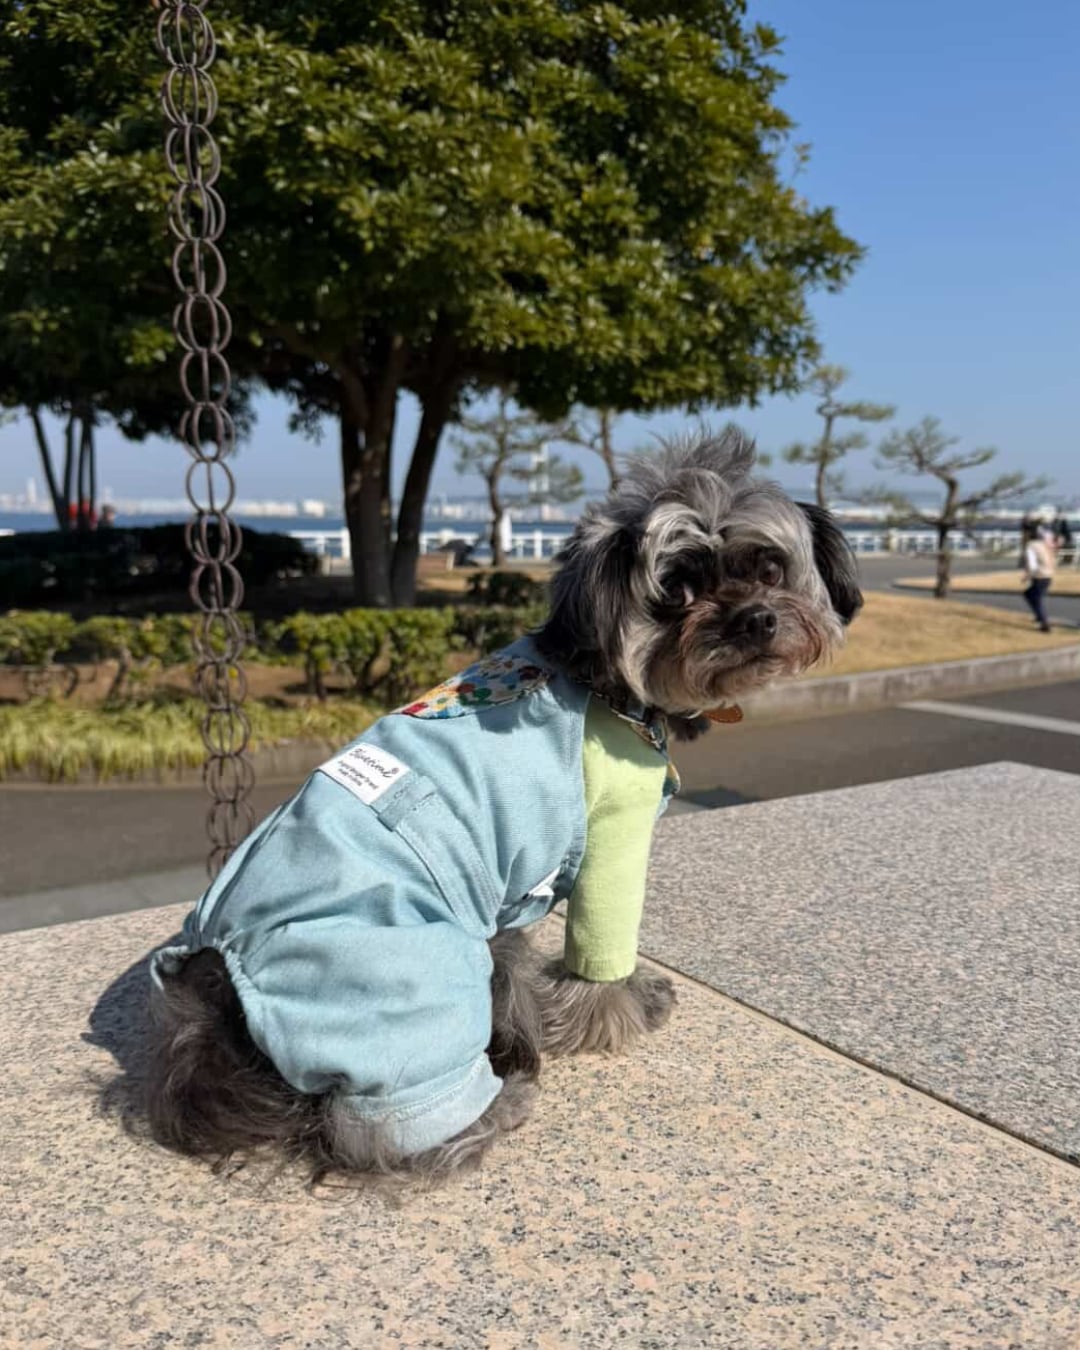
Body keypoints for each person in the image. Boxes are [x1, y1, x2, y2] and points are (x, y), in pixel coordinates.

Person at [1020, 520, 1055, 632]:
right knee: (1030, 594)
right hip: (1048, 575)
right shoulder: (1042, 544)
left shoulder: (1031, 546)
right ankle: (1039, 617)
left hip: (1040, 576)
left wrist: (1027, 576)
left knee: (1036, 598)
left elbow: (1032, 564)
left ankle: (1044, 623)